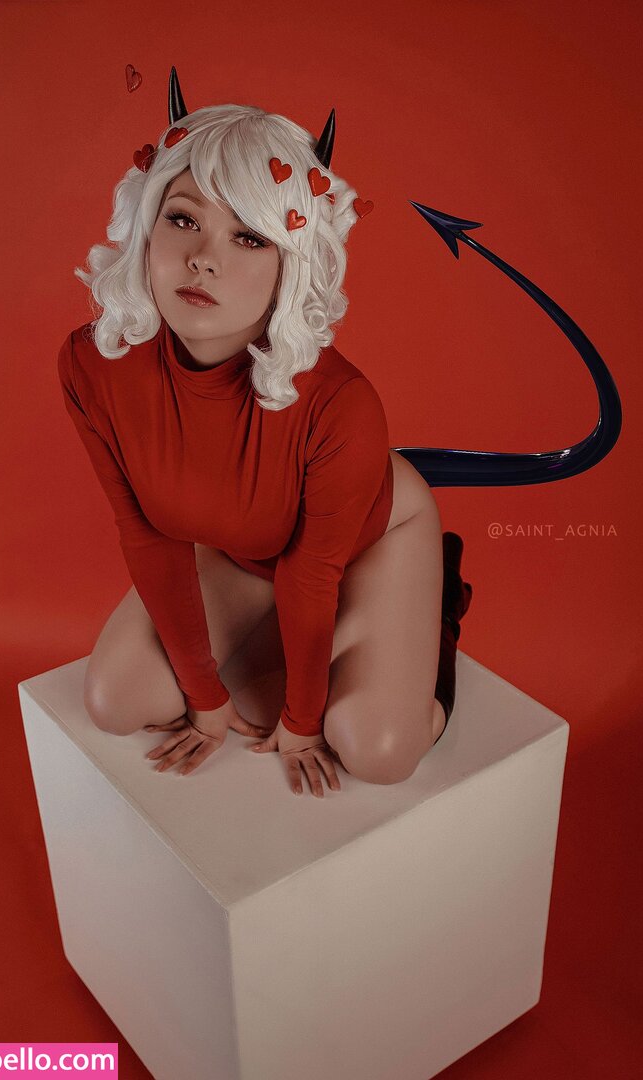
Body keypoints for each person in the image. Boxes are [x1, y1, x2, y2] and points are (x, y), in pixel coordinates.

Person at [58, 75, 473, 799]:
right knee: (115, 702)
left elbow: (311, 575)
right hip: (248, 541)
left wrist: (302, 720)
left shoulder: (341, 404)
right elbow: (145, 535)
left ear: (292, 263)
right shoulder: (93, 364)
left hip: (373, 536)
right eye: (183, 219)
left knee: (376, 752)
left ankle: (429, 606)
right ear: (146, 224)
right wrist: (206, 696)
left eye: (249, 237)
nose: (204, 259)